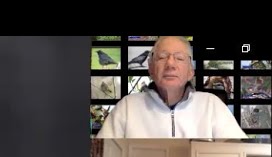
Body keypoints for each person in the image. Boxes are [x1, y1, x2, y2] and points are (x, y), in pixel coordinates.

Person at [96, 36, 247, 139]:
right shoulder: (127, 107)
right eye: (162, 57)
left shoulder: (212, 105)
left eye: (179, 58)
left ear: (190, 72)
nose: (170, 64)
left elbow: (240, 153)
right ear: (151, 69)